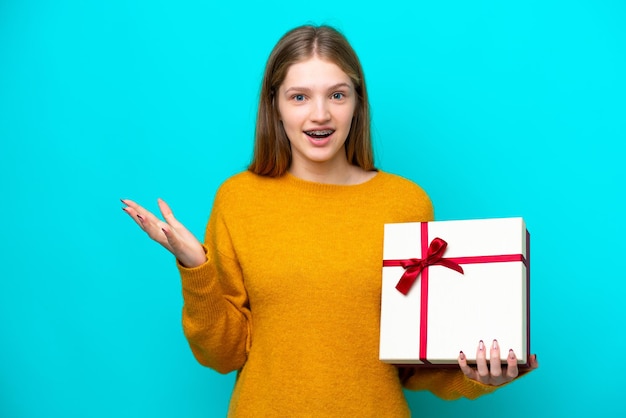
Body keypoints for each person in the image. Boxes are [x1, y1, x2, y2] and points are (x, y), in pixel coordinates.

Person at [121, 24, 538, 417]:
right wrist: (198, 269)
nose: (319, 114)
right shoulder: (238, 199)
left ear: (357, 103)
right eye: (299, 96)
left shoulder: (406, 203)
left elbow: (413, 362)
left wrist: (480, 372)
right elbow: (223, 354)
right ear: (275, 106)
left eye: (337, 95)